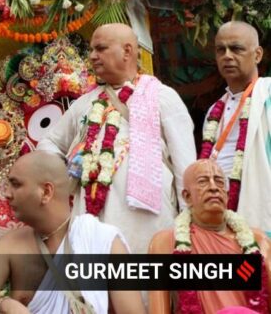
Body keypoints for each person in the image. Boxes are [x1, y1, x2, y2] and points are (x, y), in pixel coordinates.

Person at [37, 23, 196, 253]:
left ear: (128, 51)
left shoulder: (162, 97)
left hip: (147, 220)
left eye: (100, 48)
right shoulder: (85, 103)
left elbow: (186, 167)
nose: (92, 56)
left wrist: (189, 223)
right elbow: (50, 143)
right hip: (92, 217)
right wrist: (65, 172)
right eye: (91, 50)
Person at [0, 150, 145, 314]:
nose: (7, 194)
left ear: (46, 192)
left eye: (16, 184)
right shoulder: (12, 244)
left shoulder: (104, 241)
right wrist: (5, 305)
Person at [149, 159, 271, 314]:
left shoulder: (258, 241)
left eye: (219, 182)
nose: (214, 188)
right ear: (187, 197)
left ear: (227, 195)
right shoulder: (165, 243)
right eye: (203, 182)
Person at [200, 21, 271, 233]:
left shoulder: (267, 95)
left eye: (236, 48)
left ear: (257, 55)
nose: (227, 56)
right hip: (220, 216)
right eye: (220, 50)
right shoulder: (215, 110)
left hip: (259, 208)